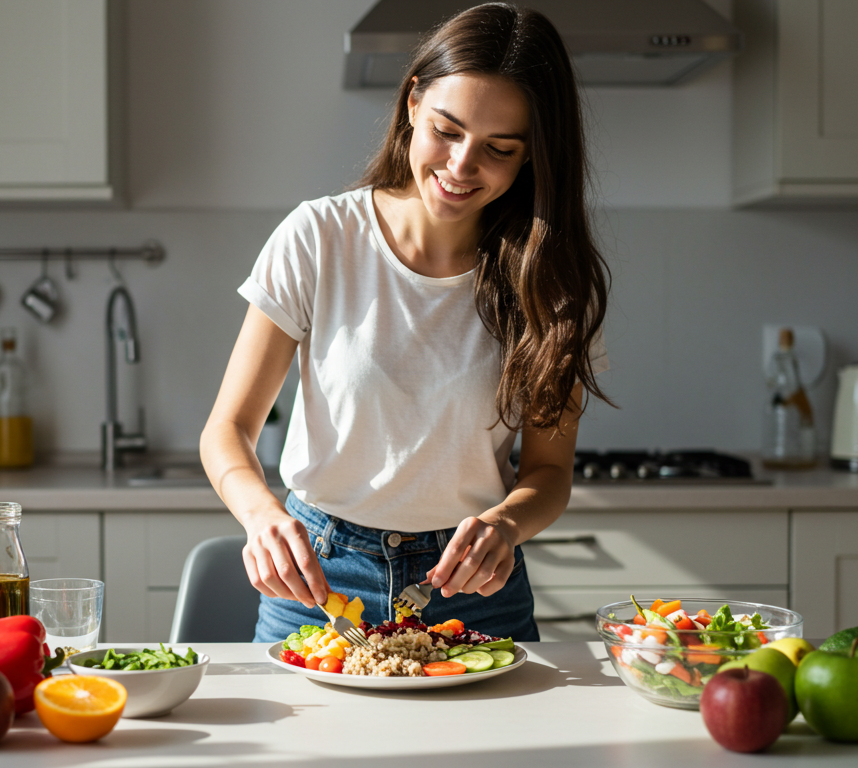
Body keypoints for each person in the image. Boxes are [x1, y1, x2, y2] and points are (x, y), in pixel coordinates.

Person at [200, 2, 612, 643]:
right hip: (321, 580)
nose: (460, 165)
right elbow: (227, 429)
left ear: (531, 156)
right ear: (413, 103)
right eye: (447, 131)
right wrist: (261, 517)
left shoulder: (550, 279)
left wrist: (505, 525)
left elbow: (550, 473)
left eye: (498, 149)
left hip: (473, 588)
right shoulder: (320, 237)